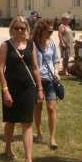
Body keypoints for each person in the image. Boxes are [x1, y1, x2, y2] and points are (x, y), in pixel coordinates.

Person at [0, 16, 43, 162]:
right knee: (10, 121)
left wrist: (40, 88)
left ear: (27, 29)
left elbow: (36, 68)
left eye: (22, 28)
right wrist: (5, 91)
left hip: (28, 88)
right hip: (11, 89)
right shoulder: (5, 46)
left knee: (27, 123)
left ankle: (28, 159)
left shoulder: (31, 45)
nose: (19, 31)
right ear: (12, 29)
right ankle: (7, 148)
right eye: (16, 28)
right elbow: (0, 70)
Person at [32, 19, 60, 150]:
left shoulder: (52, 43)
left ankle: (52, 137)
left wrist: (56, 71)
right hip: (36, 80)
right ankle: (38, 132)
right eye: (48, 31)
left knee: (51, 108)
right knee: (38, 107)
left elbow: (56, 60)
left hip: (50, 80)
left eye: (52, 30)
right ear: (41, 30)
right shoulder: (33, 44)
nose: (51, 33)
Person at [58, 13, 74, 77]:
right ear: (64, 20)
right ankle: (65, 71)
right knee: (65, 58)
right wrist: (62, 43)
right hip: (65, 44)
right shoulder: (62, 26)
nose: (69, 20)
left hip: (69, 44)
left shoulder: (68, 26)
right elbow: (60, 35)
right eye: (68, 19)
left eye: (69, 19)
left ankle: (65, 70)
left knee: (67, 58)